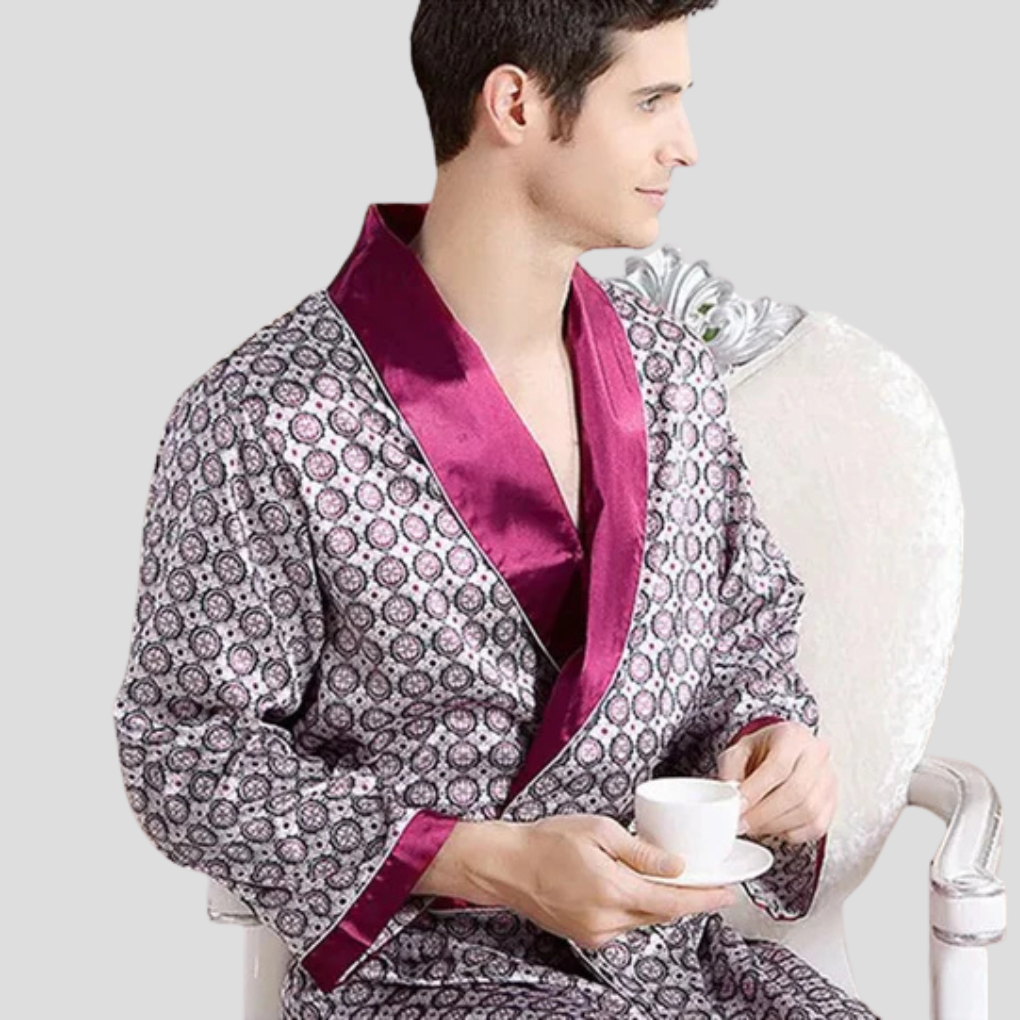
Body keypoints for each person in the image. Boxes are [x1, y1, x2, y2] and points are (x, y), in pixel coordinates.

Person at [112, 2, 879, 1017]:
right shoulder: (268, 415)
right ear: (514, 104)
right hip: (425, 977)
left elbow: (745, 627)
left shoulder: (669, 373)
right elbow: (184, 752)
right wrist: (483, 859)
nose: (686, 145)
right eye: (651, 101)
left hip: (675, 969)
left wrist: (774, 739)